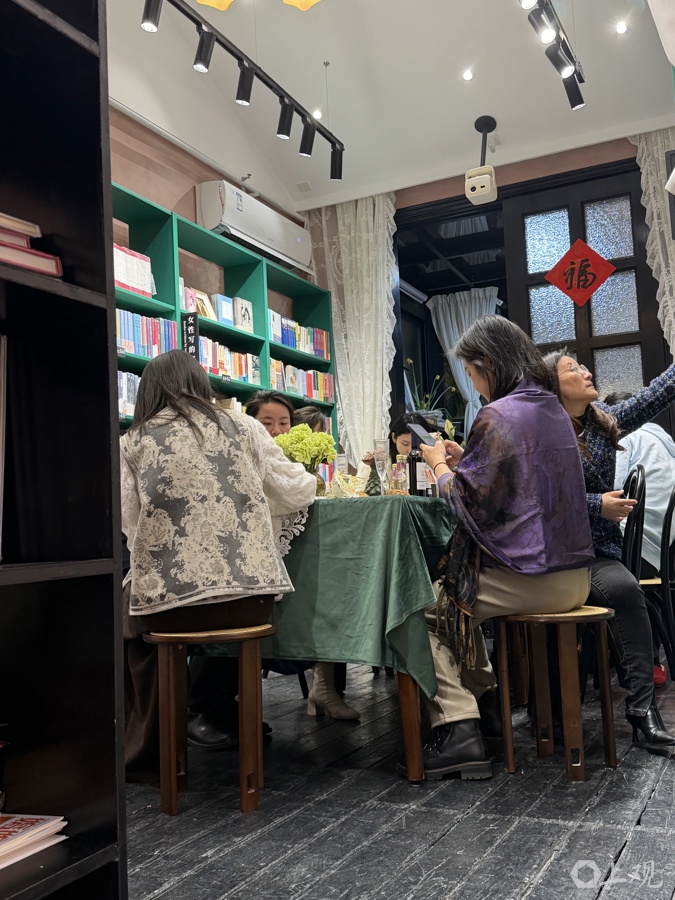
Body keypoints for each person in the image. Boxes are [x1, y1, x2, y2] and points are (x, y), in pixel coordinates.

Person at [414, 316, 594, 781]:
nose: (474, 386)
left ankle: (459, 726)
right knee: (457, 596)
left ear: (489, 364)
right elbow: (515, 487)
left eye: (472, 374)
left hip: (533, 580)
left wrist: (437, 465)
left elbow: (465, 504)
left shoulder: (497, 414)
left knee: (417, 611)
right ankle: (487, 710)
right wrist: (467, 461)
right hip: (576, 577)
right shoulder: (552, 408)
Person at [121, 351, 317, 772]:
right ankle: (205, 712)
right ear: (201, 383)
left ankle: (148, 751)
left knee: (128, 622)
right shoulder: (245, 426)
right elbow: (297, 490)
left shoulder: (132, 441)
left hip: (173, 611)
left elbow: (132, 527)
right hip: (251, 602)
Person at [542, 352, 675, 753]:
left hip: (596, 552)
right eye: (572, 368)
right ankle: (547, 711)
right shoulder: (540, 432)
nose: (586, 371)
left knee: (626, 590)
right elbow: (537, 499)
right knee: (550, 610)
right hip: (551, 555)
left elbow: (656, 393)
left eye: (583, 365)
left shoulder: (602, 421)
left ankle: (642, 708)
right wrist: (596, 503)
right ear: (553, 387)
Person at [247, 392, 360, 720]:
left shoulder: (288, 460)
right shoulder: (245, 454)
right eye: (266, 423)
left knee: (332, 584)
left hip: (296, 553)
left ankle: (323, 685)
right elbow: (297, 491)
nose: (276, 430)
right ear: (248, 423)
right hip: (256, 565)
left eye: (284, 422)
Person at [607, 390, 675, 687]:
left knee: (601, 572)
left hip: (639, 547)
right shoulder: (663, 441)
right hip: (666, 547)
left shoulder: (625, 438)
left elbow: (611, 488)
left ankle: (633, 665)